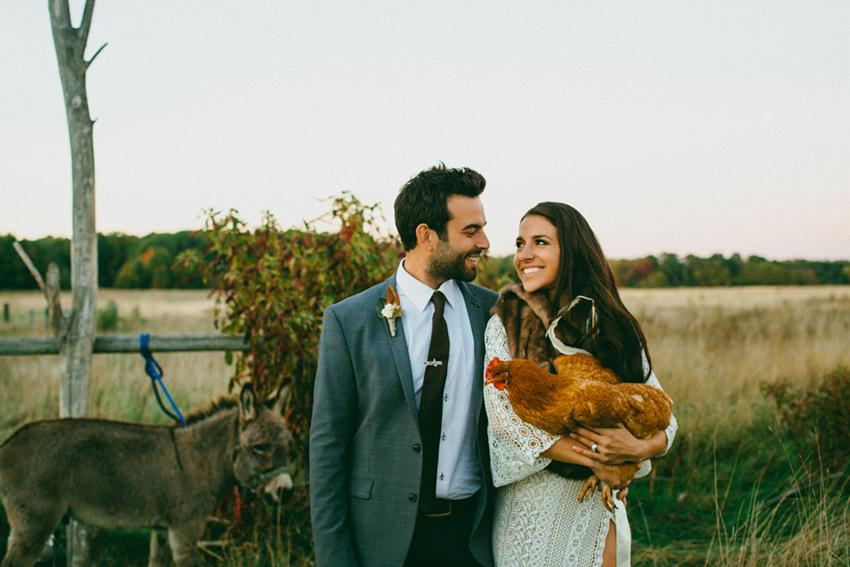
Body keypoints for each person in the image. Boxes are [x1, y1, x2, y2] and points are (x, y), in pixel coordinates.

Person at [310, 164, 498, 567]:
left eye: (482, 228)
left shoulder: (494, 312)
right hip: (381, 541)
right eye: (470, 231)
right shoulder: (349, 321)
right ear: (426, 235)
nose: (484, 241)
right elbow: (328, 447)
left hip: (472, 540)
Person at [483, 202, 678, 567]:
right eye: (520, 243)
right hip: (533, 511)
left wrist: (637, 448)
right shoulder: (505, 322)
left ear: (570, 249)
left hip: (598, 507)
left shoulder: (612, 323)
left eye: (540, 242)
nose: (525, 255)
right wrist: (601, 457)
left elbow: (665, 416)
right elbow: (506, 423)